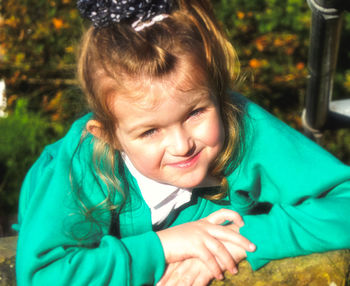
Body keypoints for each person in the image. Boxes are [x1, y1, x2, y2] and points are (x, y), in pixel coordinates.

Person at [14, 0, 350, 285]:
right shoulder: (85, 164)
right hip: (52, 194)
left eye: (195, 113)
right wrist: (164, 247)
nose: (182, 145)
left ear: (218, 95)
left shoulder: (241, 126)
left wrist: (239, 241)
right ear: (110, 135)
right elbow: (44, 273)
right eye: (150, 131)